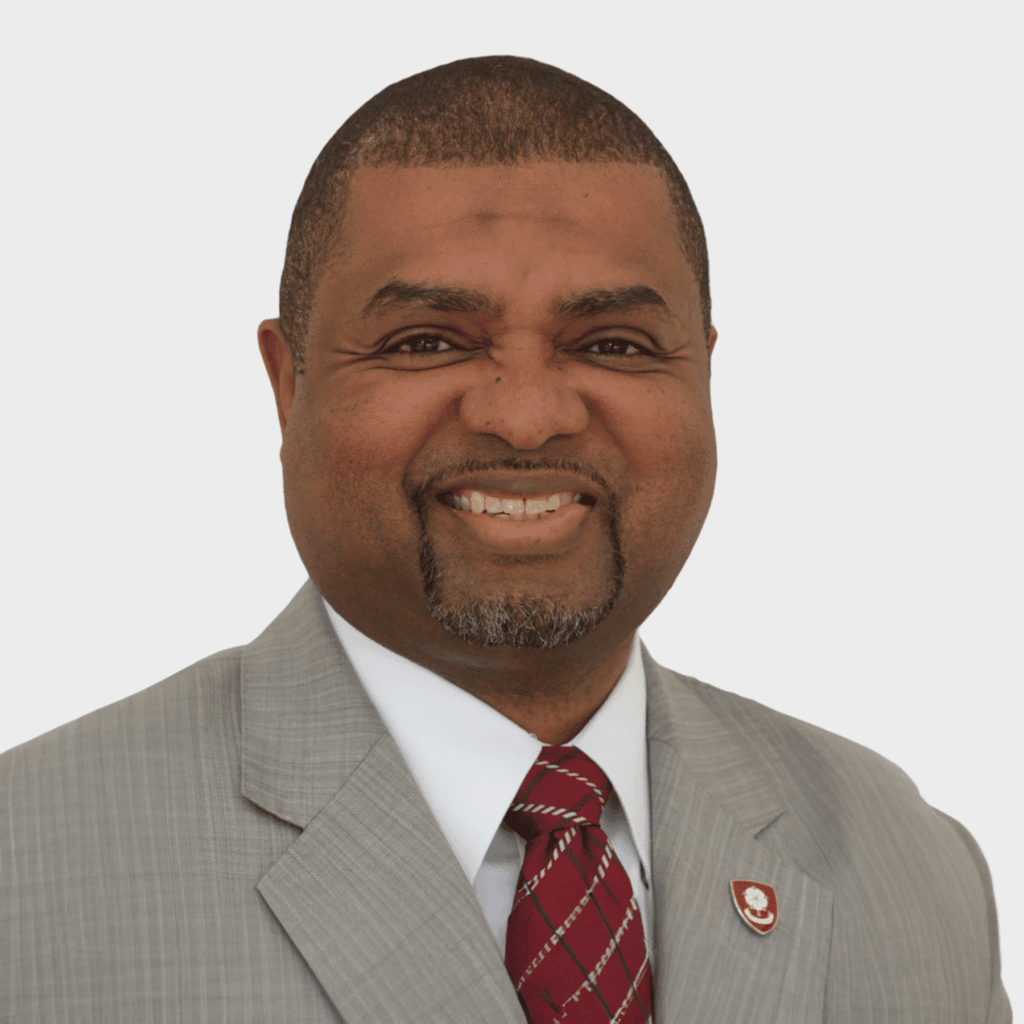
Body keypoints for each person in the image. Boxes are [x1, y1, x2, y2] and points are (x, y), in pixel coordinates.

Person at [0, 55, 1010, 1023]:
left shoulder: (914, 869)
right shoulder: (26, 867)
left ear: (703, 375)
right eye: (426, 342)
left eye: (612, 344)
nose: (525, 419)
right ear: (288, 384)